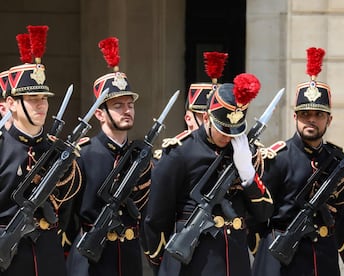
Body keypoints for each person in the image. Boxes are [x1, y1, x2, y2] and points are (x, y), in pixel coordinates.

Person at [144, 73, 274, 276]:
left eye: (234, 130)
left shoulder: (244, 153)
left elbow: (264, 213)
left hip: (235, 263)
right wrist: (164, 263)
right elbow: (156, 217)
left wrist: (248, 174)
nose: (228, 136)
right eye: (223, 129)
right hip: (194, 264)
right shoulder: (179, 153)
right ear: (206, 117)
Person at [251, 47, 344, 276]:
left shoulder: (337, 159)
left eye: (318, 115)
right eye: (305, 114)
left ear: (329, 119)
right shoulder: (278, 157)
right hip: (282, 259)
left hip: (323, 256)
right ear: (295, 117)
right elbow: (256, 214)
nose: (311, 120)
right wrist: (263, 250)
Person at [67, 37, 151, 276]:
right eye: (117, 106)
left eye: (129, 104)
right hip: (92, 262)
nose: (127, 110)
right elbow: (68, 217)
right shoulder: (84, 155)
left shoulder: (139, 156)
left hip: (129, 258)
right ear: (100, 115)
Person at [0, 25, 79, 276]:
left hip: (50, 258)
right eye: (32, 99)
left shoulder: (56, 149)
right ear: (11, 103)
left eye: (43, 98)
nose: (41, 105)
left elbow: (69, 211)